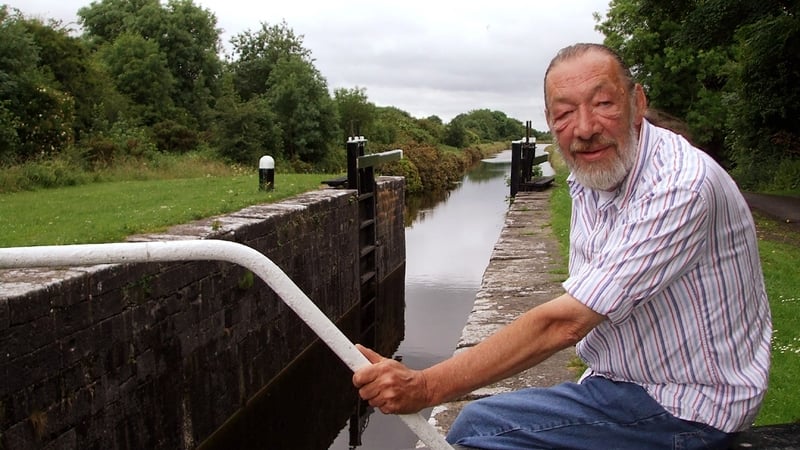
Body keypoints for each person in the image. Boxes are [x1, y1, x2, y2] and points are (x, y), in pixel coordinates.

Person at [352, 43, 772, 449]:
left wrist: (425, 386)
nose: (585, 128)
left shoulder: (679, 185)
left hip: (688, 406)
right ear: (550, 122)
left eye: (603, 104)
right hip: (628, 383)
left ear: (637, 102)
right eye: (565, 113)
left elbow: (565, 323)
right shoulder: (597, 175)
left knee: (479, 428)